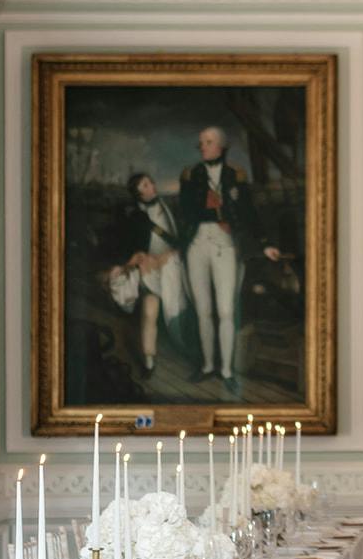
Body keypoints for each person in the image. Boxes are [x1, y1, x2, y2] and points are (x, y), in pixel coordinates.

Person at [177, 126, 280, 397]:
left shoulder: (236, 175)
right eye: (201, 142)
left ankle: (226, 371)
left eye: (208, 142)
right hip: (197, 243)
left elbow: (249, 213)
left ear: (221, 146)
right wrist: (213, 209)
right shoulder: (191, 175)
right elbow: (185, 212)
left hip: (225, 245)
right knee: (202, 310)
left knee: (225, 311)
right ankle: (208, 365)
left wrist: (265, 244)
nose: (203, 147)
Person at [106, 172, 190, 379]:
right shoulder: (134, 215)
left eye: (151, 182)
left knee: (179, 309)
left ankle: (187, 348)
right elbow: (129, 245)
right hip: (149, 268)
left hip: (172, 265)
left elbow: (181, 241)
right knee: (149, 312)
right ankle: (149, 361)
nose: (152, 185)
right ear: (138, 193)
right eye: (145, 185)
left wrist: (167, 256)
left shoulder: (170, 208)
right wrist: (137, 257)